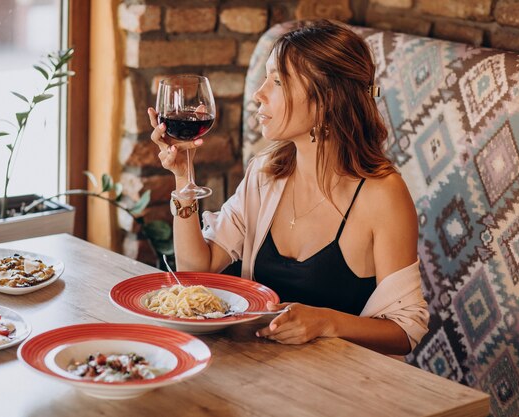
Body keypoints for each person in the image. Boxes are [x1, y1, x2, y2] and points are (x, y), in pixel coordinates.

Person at [148, 20, 428, 356]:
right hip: (264, 375)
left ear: (326, 101)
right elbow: (196, 271)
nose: (258, 93)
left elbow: (406, 329)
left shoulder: (382, 195)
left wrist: (327, 323)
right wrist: (183, 177)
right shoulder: (265, 176)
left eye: (278, 81)